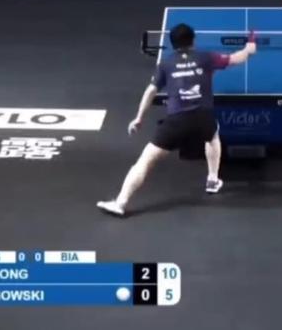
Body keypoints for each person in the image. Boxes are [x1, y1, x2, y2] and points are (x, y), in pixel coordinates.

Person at [97, 24, 257, 216]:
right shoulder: (206, 57)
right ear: (193, 40)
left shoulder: (166, 64)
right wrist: (248, 49)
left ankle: (120, 203)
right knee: (213, 135)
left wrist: (139, 118)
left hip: (176, 122)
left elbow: (150, 91)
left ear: (172, 44)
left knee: (145, 160)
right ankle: (213, 179)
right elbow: (236, 58)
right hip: (202, 117)